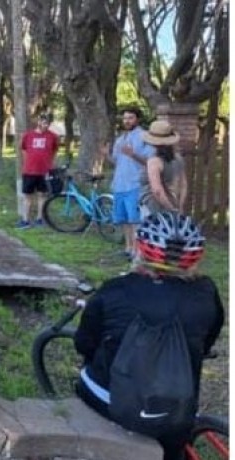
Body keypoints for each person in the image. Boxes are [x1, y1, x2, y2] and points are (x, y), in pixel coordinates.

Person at [74, 212, 224, 460]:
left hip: (111, 402)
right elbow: (209, 339)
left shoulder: (115, 290)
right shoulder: (206, 292)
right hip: (177, 406)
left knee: (88, 374)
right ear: (195, 256)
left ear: (141, 247)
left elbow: (84, 343)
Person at [108, 108, 154, 258]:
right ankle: (128, 248)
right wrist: (105, 155)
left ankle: (136, 250)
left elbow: (150, 161)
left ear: (137, 119)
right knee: (124, 220)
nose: (127, 121)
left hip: (135, 184)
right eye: (125, 118)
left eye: (130, 118)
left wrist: (133, 154)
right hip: (119, 184)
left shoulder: (145, 137)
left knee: (135, 219)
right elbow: (117, 162)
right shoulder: (120, 139)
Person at [18, 114, 59, 228]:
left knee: (42, 195)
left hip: (44, 171)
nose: (46, 125)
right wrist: (27, 162)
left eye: (48, 124)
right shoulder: (28, 135)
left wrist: (50, 163)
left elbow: (54, 150)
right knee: (27, 196)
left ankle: (40, 219)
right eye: (44, 123)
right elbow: (23, 149)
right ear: (38, 122)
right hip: (29, 171)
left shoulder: (53, 136)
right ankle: (25, 220)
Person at [139, 120, 188, 218]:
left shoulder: (154, 161)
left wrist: (170, 209)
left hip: (153, 207)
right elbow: (183, 185)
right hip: (173, 201)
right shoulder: (178, 159)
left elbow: (157, 191)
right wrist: (180, 206)